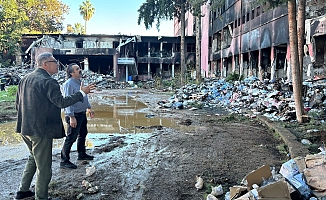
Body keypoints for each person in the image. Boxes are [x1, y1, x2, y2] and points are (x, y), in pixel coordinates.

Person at [14, 52, 96, 200]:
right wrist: (81, 93)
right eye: (54, 62)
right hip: (40, 130)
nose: (58, 64)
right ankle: (41, 197)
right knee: (44, 168)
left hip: (24, 128)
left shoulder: (25, 79)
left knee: (33, 157)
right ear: (45, 64)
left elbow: (17, 105)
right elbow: (62, 103)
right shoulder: (48, 81)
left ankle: (23, 190)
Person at [60, 63, 95, 169]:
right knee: (71, 137)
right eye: (77, 69)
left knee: (83, 134)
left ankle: (81, 153)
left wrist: (88, 108)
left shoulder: (79, 82)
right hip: (74, 115)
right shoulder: (68, 84)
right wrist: (71, 116)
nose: (80, 70)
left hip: (82, 113)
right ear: (71, 73)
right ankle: (64, 160)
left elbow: (84, 97)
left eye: (79, 68)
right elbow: (67, 101)